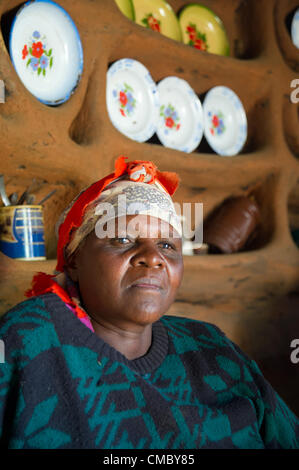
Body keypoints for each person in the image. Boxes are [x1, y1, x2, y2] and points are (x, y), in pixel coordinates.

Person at [0, 156, 298, 449]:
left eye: (167, 245)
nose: (153, 257)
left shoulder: (213, 347)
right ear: (75, 260)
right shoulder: (30, 339)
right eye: (123, 240)